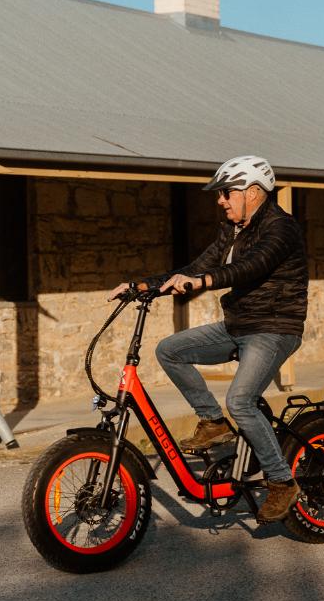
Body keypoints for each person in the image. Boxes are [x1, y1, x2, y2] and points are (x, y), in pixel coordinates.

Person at [109, 155, 308, 523]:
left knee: (241, 400)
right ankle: (212, 422)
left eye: (227, 193)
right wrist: (143, 285)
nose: (220, 200)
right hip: (237, 325)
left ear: (252, 192)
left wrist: (202, 283)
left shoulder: (282, 228)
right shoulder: (232, 230)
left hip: (274, 327)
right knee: (170, 350)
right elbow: (197, 267)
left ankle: (282, 481)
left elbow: (252, 266)